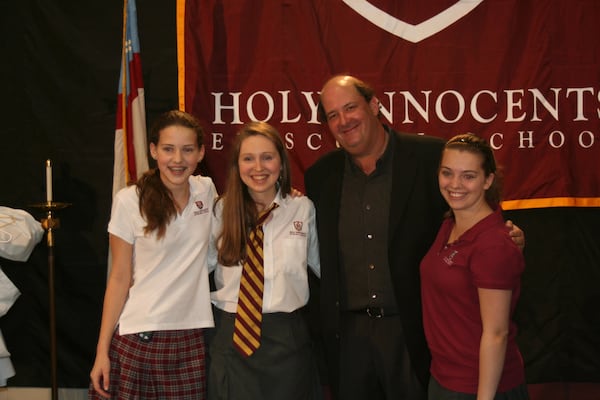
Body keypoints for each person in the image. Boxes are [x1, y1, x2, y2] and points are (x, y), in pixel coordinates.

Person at [304, 75, 525, 400]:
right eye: (332, 114)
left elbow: (475, 212)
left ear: (375, 105)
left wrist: (508, 234)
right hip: (348, 339)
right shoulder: (320, 175)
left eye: (350, 107)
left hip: (414, 334)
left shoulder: (430, 157)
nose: (343, 120)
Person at [89, 110, 216, 399]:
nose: (177, 159)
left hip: (190, 338)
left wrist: (286, 195)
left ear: (200, 153)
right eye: (168, 149)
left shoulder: (206, 191)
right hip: (138, 336)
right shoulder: (129, 201)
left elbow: (247, 204)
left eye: (187, 150)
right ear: (153, 150)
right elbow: (119, 278)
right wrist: (101, 351)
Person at [206, 121, 321, 400]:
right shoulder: (221, 209)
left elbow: (319, 266)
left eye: (267, 157)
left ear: (281, 162)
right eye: (248, 158)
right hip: (232, 337)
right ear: (237, 165)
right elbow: (200, 267)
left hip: (286, 341)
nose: (258, 167)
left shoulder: (302, 208)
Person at [420, 134, 529, 400]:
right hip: (444, 378)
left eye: (468, 176)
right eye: (447, 173)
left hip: (481, 387)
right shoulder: (449, 225)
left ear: (488, 180)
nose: (455, 184)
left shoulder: (493, 245)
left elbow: (496, 333)